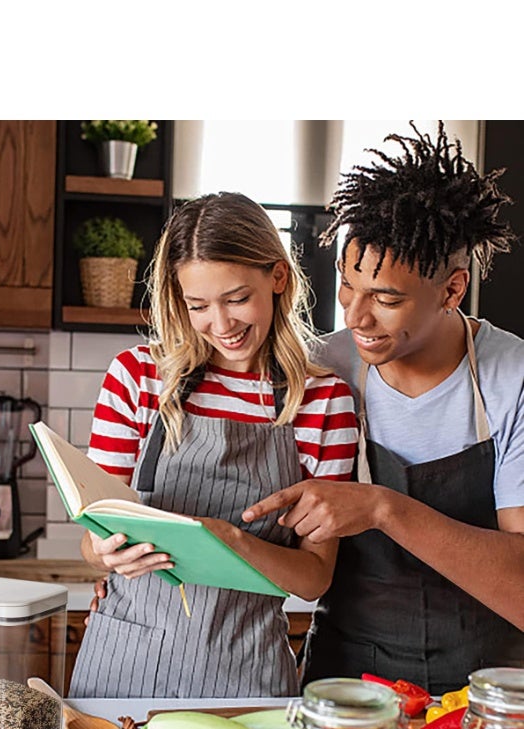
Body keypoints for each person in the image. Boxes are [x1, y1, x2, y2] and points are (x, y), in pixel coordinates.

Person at [243, 121, 524, 695]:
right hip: (346, 684)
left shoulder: (512, 378)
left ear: (452, 290)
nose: (355, 316)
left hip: (492, 691)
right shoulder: (319, 370)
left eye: (386, 298)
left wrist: (381, 508)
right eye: (348, 285)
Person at [69, 192, 358, 698]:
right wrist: (105, 553)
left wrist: (232, 541)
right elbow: (93, 540)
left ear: (278, 277)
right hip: (121, 661)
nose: (221, 326)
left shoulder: (322, 401)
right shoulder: (138, 378)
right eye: (198, 306)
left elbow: (314, 578)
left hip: (248, 668)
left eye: (237, 299)